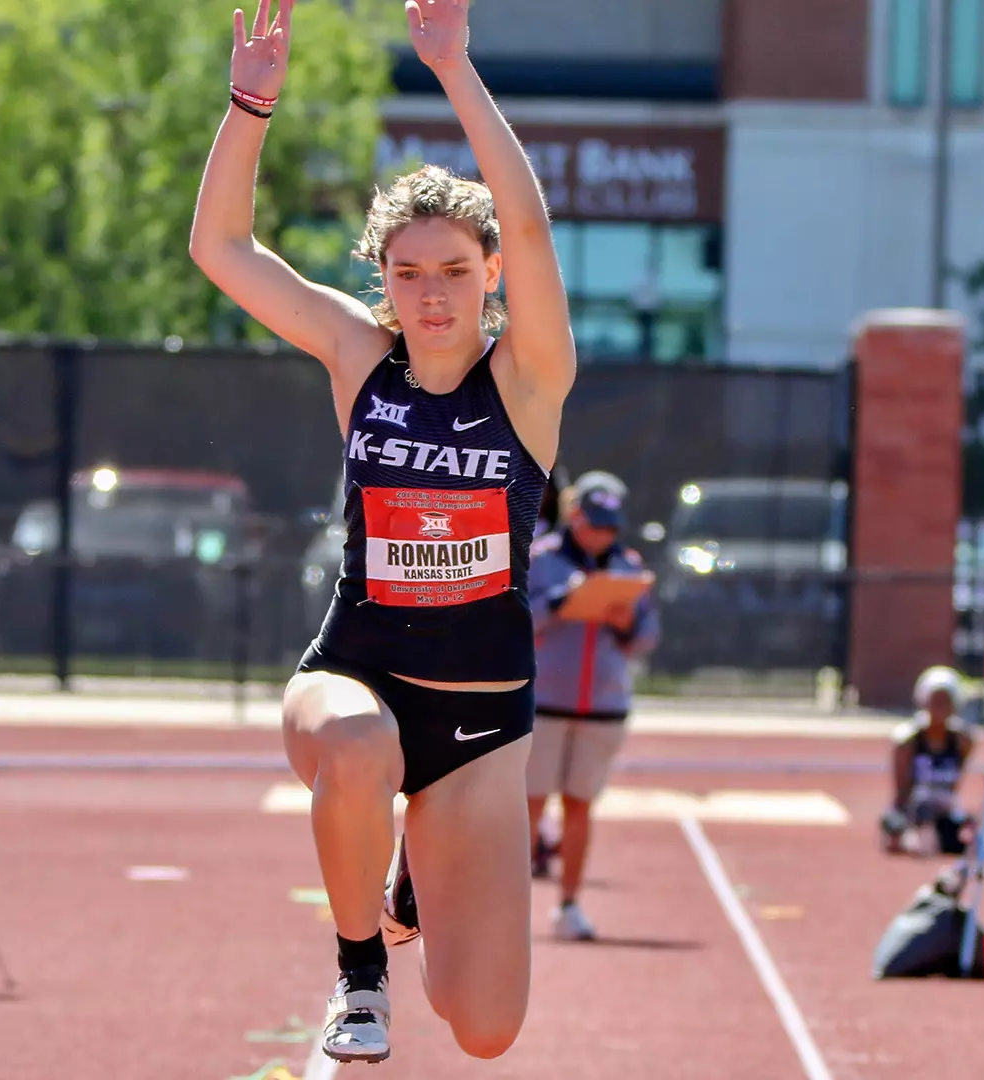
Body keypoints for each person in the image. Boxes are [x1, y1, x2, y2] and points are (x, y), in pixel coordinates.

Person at [189, 0, 576, 1063]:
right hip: (355, 678)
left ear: (491, 275)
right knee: (358, 747)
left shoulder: (529, 380)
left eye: (455, 270)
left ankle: (411, 872)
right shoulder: (360, 360)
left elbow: (531, 223)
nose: (432, 293)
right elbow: (220, 247)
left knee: (486, 1026)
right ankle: (359, 971)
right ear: (383, 282)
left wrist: (453, 68)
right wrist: (249, 106)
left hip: (480, 726)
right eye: (408, 273)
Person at [525, 478, 660, 940]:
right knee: (528, 805)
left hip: (603, 704)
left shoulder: (629, 565)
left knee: (579, 806)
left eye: (609, 526)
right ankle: (509, 907)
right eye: (593, 524)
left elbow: (646, 637)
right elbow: (516, 621)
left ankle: (569, 904)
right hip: (543, 702)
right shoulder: (539, 558)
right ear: (574, 516)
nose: (602, 535)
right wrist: (561, 602)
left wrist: (627, 623)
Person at [880, 665, 975, 856]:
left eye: (945, 701)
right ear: (924, 701)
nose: (940, 707)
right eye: (935, 700)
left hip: (944, 811)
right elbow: (901, 792)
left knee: (974, 837)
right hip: (914, 811)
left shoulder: (962, 741)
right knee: (916, 841)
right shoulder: (908, 741)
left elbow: (955, 784)